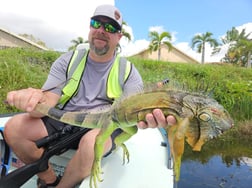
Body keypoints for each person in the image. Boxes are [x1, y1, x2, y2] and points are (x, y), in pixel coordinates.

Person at [4, 4, 176, 188]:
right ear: (90, 27)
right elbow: (48, 101)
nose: (102, 30)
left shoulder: (129, 72)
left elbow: (133, 115)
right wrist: (33, 99)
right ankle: (49, 179)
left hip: (103, 124)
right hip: (67, 119)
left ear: (119, 37)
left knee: (92, 143)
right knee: (13, 127)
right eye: (97, 23)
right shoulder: (67, 60)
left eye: (110, 28)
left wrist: (148, 116)